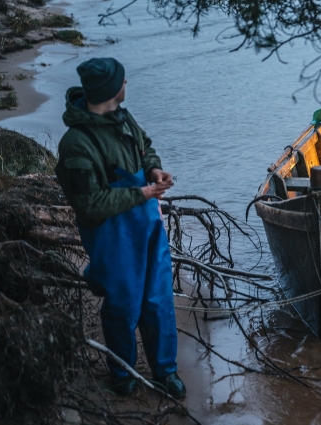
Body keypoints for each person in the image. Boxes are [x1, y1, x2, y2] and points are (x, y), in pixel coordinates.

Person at [55, 57, 186, 398]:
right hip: (112, 236)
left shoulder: (124, 118)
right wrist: (142, 192)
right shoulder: (76, 143)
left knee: (158, 301)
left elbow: (147, 149)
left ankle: (165, 372)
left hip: (149, 227)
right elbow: (89, 203)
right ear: (112, 90)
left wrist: (154, 171)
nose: (127, 86)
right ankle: (123, 373)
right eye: (123, 82)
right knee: (122, 305)